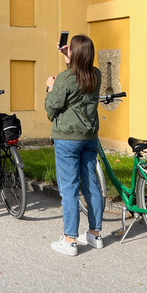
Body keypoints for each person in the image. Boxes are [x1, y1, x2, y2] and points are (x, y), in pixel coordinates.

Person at [44, 34, 103, 256]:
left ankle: (70, 240)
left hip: (67, 138)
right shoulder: (95, 75)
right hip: (89, 137)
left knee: (69, 188)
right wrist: (68, 57)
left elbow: (51, 108)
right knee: (91, 185)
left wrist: (50, 87)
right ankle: (95, 234)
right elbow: (78, 76)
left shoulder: (64, 78)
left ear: (75, 54)